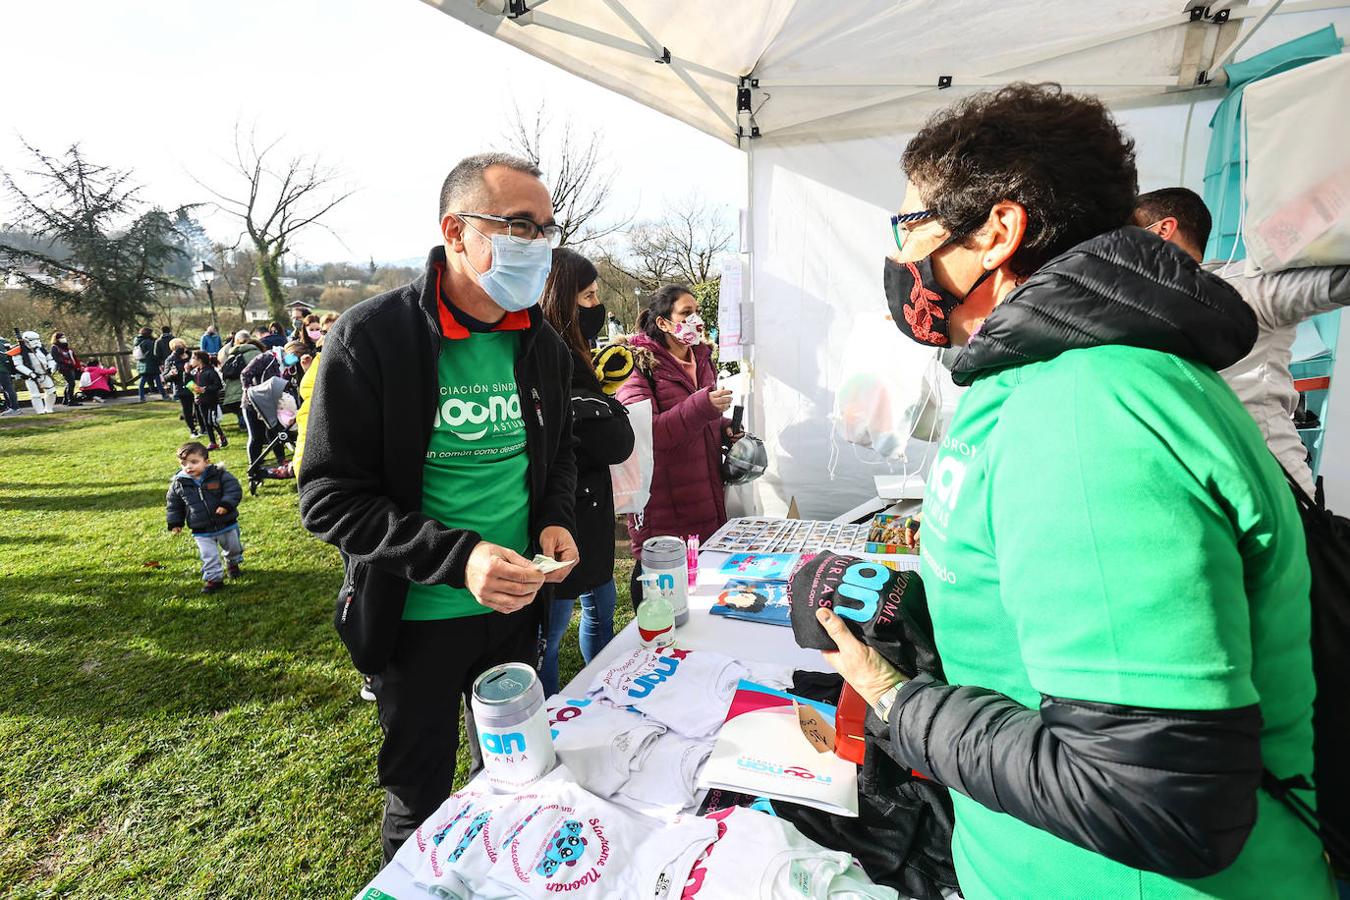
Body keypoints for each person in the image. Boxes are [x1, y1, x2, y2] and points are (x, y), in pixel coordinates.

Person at [819, 83, 1332, 898]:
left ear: (998, 232)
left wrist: (898, 702)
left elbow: (1158, 801)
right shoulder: (1040, 382)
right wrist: (917, 612)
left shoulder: (1087, 408)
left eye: (907, 227)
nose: (898, 261)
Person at [297, 152, 577, 863]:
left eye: (547, 228)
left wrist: (555, 514)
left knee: (515, 779)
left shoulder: (539, 342)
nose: (539, 245)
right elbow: (329, 497)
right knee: (419, 802)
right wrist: (461, 558)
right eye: (519, 225)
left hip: (514, 615)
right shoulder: (372, 338)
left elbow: (557, 453)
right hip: (416, 623)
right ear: (455, 231)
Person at [1134, 187, 1350, 498]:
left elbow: (1336, 281)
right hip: (1201, 493)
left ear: (1163, 230)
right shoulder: (1141, 309)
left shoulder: (1247, 288)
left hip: (1268, 489)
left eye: (1128, 235)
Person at [537, 247, 635, 696]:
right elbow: (611, 441)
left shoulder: (580, 356)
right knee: (550, 633)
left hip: (592, 516)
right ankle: (552, 715)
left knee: (600, 606)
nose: (599, 307)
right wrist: (608, 411)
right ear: (563, 299)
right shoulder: (547, 358)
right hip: (559, 519)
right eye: (590, 296)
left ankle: (604, 694)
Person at [616, 284, 738, 606]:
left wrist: (724, 429)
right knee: (663, 605)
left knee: (703, 604)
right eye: (686, 313)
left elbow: (702, 420)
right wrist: (703, 406)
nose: (695, 319)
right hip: (663, 511)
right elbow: (648, 434)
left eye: (696, 312)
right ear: (663, 323)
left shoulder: (702, 358)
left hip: (706, 503)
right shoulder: (637, 366)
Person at [166, 441, 244, 594]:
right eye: (184, 463)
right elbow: (173, 505)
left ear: (207, 462)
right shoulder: (179, 483)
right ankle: (214, 579)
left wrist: (226, 505)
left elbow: (233, 489)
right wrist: (175, 522)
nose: (188, 467)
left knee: (234, 548)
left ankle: (232, 563)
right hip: (201, 529)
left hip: (226, 523)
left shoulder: (220, 475)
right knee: (209, 556)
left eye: (194, 462)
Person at [241, 340, 306, 469]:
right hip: (253, 401)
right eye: (295, 356)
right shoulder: (267, 358)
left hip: (273, 403)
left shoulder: (289, 368)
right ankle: (254, 465)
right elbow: (245, 374)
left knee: (274, 432)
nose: (295, 360)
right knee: (256, 436)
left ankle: (281, 460)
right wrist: (249, 390)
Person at [220, 330, 263, 429]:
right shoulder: (258, 353)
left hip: (235, 392)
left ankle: (246, 427)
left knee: (244, 415)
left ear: (238, 341)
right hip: (255, 389)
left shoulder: (233, 355)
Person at [9, 330, 58, 414]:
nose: (36, 342)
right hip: (30, 377)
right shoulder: (18, 351)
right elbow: (18, 365)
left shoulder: (41, 348)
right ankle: (40, 411)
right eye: (32, 340)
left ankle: (49, 409)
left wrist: (51, 368)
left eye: (37, 339)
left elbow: (50, 359)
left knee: (51, 392)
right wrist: (31, 374)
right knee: (35, 395)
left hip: (44, 374)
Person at [189, 350, 229, 450]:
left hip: (211, 400)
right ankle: (212, 442)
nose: (191, 360)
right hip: (201, 401)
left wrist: (205, 389)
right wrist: (194, 390)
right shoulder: (195, 372)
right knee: (206, 422)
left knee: (212, 421)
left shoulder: (210, 372)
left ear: (200, 360)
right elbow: (189, 382)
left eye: (193, 358)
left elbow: (218, 385)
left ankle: (221, 436)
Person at [161, 338, 198, 438]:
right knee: (187, 409)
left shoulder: (192, 356)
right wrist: (171, 374)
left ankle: (203, 428)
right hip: (181, 386)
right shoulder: (170, 359)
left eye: (181, 346)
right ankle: (193, 430)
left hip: (194, 383)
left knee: (199, 406)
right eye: (177, 347)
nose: (180, 349)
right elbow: (165, 377)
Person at [49, 332, 84, 406]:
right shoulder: (55, 347)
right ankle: (70, 400)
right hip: (64, 368)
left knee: (70, 383)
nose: (63, 339)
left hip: (71, 367)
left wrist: (78, 365)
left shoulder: (66, 347)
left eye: (64, 337)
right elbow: (57, 358)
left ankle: (66, 400)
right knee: (71, 383)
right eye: (61, 337)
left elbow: (73, 357)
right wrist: (67, 362)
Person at [134, 326, 162, 402]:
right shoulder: (149, 342)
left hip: (141, 363)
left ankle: (141, 397)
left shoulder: (137, 341)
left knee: (142, 382)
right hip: (151, 363)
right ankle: (164, 395)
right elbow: (154, 354)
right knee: (158, 380)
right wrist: (159, 362)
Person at [0, 335, 21, 415]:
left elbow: (3, 356)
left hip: (2, 369)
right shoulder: (4, 341)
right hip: (6, 368)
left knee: (8, 388)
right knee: (8, 388)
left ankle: (14, 408)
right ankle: (11, 407)